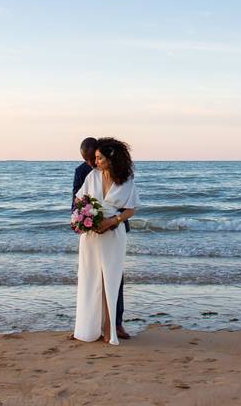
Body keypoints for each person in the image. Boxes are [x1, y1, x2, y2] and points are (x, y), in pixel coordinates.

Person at [72, 137, 138, 345]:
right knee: (90, 277)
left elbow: (131, 209)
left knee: (112, 278)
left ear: (110, 158)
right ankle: (89, 326)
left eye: (99, 158)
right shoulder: (90, 176)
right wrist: (85, 222)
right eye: (94, 158)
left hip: (114, 234)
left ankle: (112, 326)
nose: (94, 161)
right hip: (91, 237)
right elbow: (78, 202)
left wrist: (112, 221)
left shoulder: (126, 180)